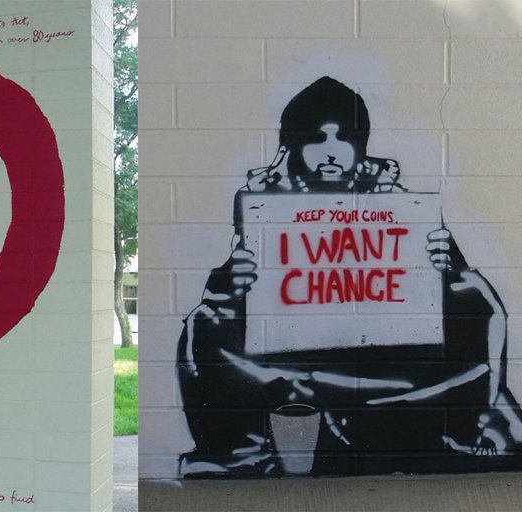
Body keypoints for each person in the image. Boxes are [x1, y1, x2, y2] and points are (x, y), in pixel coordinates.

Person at [177, 76, 522, 478]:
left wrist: (446, 263)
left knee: (477, 296)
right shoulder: (264, 197)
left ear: (361, 145)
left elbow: (445, 285)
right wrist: (231, 279)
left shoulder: (392, 195)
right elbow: (230, 288)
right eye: (316, 140)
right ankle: (242, 449)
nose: (330, 154)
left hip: (380, 345)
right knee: (203, 323)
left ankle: (463, 427)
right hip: (289, 343)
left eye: (344, 140)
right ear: (291, 144)